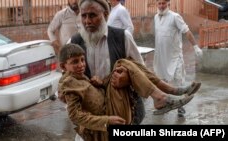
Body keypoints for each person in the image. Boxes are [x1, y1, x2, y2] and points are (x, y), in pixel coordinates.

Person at [59, 43, 194, 141]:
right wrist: (106, 121)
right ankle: (164, 94)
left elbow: (92, 99)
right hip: (107, 122)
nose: (81, 65)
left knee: (125, 62)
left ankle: (166, 92)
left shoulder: (79, 77)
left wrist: (100, 84)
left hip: (110, 107)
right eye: (75, 62)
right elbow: (75, 115)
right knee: (122, 63)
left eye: (82, 60)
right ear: (63, 66)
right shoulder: (69, 83)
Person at [153, 0, 202, 116]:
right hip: (161, 56)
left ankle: (181, 107)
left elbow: (187, 31)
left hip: (175, 56)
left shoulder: (175, 17)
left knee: (178, 81)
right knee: (161, 81)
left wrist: (195, 47)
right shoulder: (156, 17)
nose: (161, 6)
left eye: (163, 3)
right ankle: (163, 105)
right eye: (159, 3)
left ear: (168, 3)